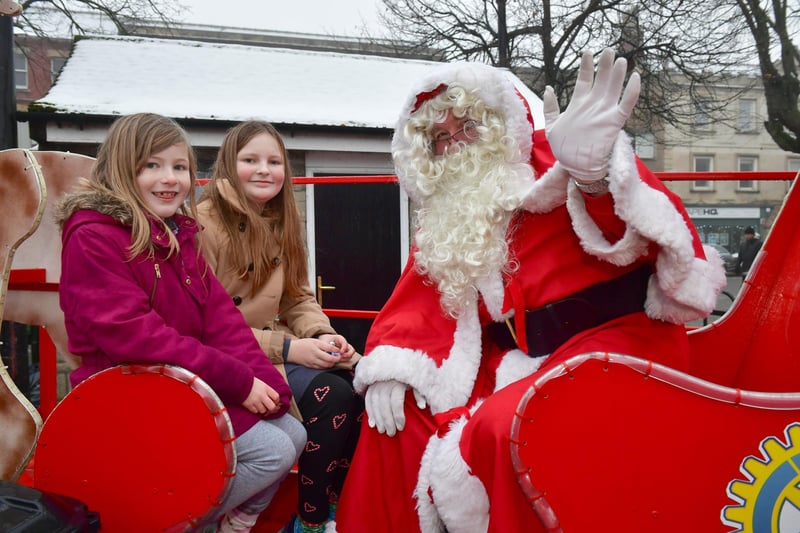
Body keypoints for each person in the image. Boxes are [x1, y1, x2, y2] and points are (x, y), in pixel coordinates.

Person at [333, 49, 727, 532]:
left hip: (617, 341)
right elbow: (422, 303)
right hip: (517, 358)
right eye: (440, 139)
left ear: (497, 124)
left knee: (505, 430)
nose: (455, 145)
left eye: (467, 127)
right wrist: (394, 366)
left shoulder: (561, 155)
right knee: (395, 430)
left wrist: (596, 178)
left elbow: (645, 234)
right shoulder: (450, 211)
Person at [55, 113, 306, 533]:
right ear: (122, 168)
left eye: (179, 167)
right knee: (270, 451)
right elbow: (136, 336)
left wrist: (266, 382)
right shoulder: (94, 236)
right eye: (151, 166)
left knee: (291, 432)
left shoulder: (175, 233)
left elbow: (221, 320)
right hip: (129, 385)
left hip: (177, 379)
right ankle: (164, 522)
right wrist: (237, 381)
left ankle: (229, 520)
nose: (169, 179)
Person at [196, 120, 364, 533]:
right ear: (228, 165)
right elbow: (206, 324)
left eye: (273, 161)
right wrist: (290, 350)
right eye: (250, 160)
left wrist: (323, 335)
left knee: (359, 386)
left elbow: (297, 297)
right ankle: (309, 521)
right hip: (227, 356)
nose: (263, 170)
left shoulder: (281, 221)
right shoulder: (203, 226)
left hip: (269, 348)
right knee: (330, 397)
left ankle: (330, 511)